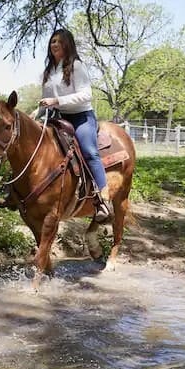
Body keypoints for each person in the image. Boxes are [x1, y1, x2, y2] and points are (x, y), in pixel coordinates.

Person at [38, 28, 111, 223]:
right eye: (52, 41)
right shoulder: (49, 70)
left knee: (89, 151)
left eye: (59, 42)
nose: (54, 45)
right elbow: (45, 100)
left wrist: (56, 101)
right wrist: (35, 117)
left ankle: (102, 199)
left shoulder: (77, 66)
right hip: (58, 116)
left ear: (67, 45)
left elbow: (86, 95)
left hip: (81, 117)